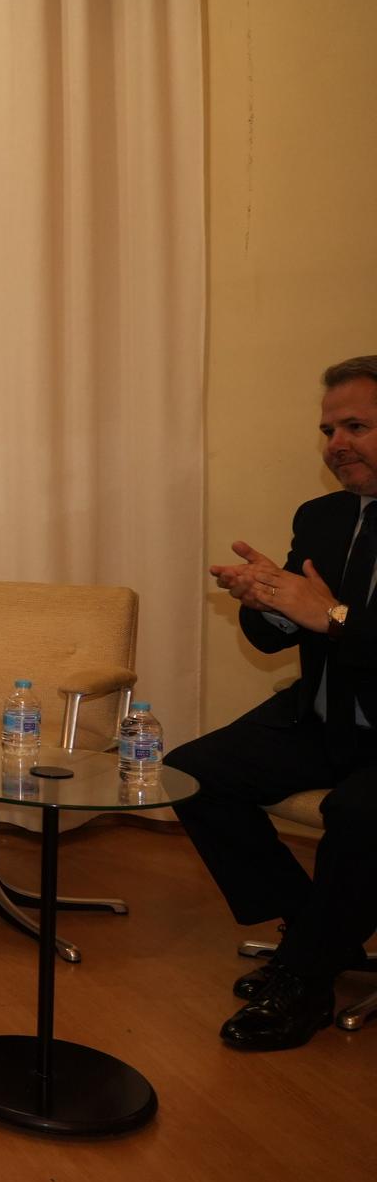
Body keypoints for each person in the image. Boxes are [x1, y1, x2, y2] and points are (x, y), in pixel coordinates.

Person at [169, 355, 377, 1052]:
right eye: (328, 429)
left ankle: (305, 978)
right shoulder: (319, 515)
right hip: (321, 713)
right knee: (191, 771)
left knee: (355, 813)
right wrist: (267, 601)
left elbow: (334, 618)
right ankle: (315, 935)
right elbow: (277, 633)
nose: (335, 443)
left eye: (356, 425)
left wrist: (335, 617)